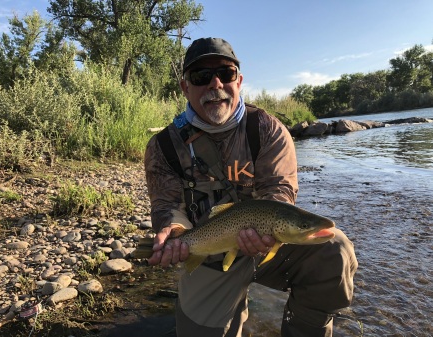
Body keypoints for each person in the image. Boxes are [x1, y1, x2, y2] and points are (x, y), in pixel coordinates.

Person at [144, 37, 358, 337]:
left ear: (239, 80)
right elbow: (167, 206)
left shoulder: (267, 129)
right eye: (201, 76)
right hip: (209, 252)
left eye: (226, 73)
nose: (214, 84)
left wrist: (266, 234)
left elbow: (278, 195)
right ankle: (232, 310)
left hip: (272, 246)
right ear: (185, 88)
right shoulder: (164, 146)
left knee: (334, 249)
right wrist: (176, 233)